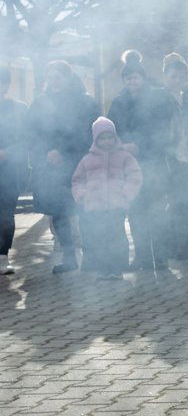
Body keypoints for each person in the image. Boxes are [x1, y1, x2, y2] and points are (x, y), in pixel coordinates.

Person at [108, 51, 179, 272]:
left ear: (143, 78)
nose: (132, 81)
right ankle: (141, 257)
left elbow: (165, 131)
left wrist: (140, 146)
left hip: (154, 162)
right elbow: (112, 130)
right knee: (136, 212)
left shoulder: (159, 98)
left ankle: (160, 257)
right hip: (129, 165)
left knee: (157, 211)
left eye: (135, 77)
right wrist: (122, 146)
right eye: (128, 78)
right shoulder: (118, 101)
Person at [29, 61, 99, 274]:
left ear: (68, 78)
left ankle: (91, 257)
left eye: (58, 77)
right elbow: (32, 132)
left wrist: (64, 152)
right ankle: (69, 257)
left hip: (78, 163)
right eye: (50, 77)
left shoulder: (84, 101)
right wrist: (47, 152)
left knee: (84, 210)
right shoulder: (40, 103)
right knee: (59, 213)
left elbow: (88, 132)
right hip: (50, 167)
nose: (54, 81)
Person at [71, 117, 142, 279]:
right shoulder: (87, 159)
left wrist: (127, 193)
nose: (106, 141)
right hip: (94, 206)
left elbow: (135, 176)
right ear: (96, 139)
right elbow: (77, 180)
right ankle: (103, 269)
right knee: (99, 238)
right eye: (102, 138)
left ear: (115, 137)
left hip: (117, 205)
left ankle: (116, 269)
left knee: (116, 236)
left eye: (110, 137)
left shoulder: (124, 156)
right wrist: (82, 195)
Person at [161, 54, 188, 259]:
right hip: (168, 159)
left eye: (181, 77)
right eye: (173, 76)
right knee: (175, 204)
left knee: (187, 203)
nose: (176, 80)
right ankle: (176, 247)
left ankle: (186, 247)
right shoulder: (158, 99)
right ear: (165, 77)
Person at [0, 66, 28, 276]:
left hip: (9, 172)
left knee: (6, 215)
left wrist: (7, 153)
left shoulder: (18, 109)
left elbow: (27, 139)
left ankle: (3, 257)